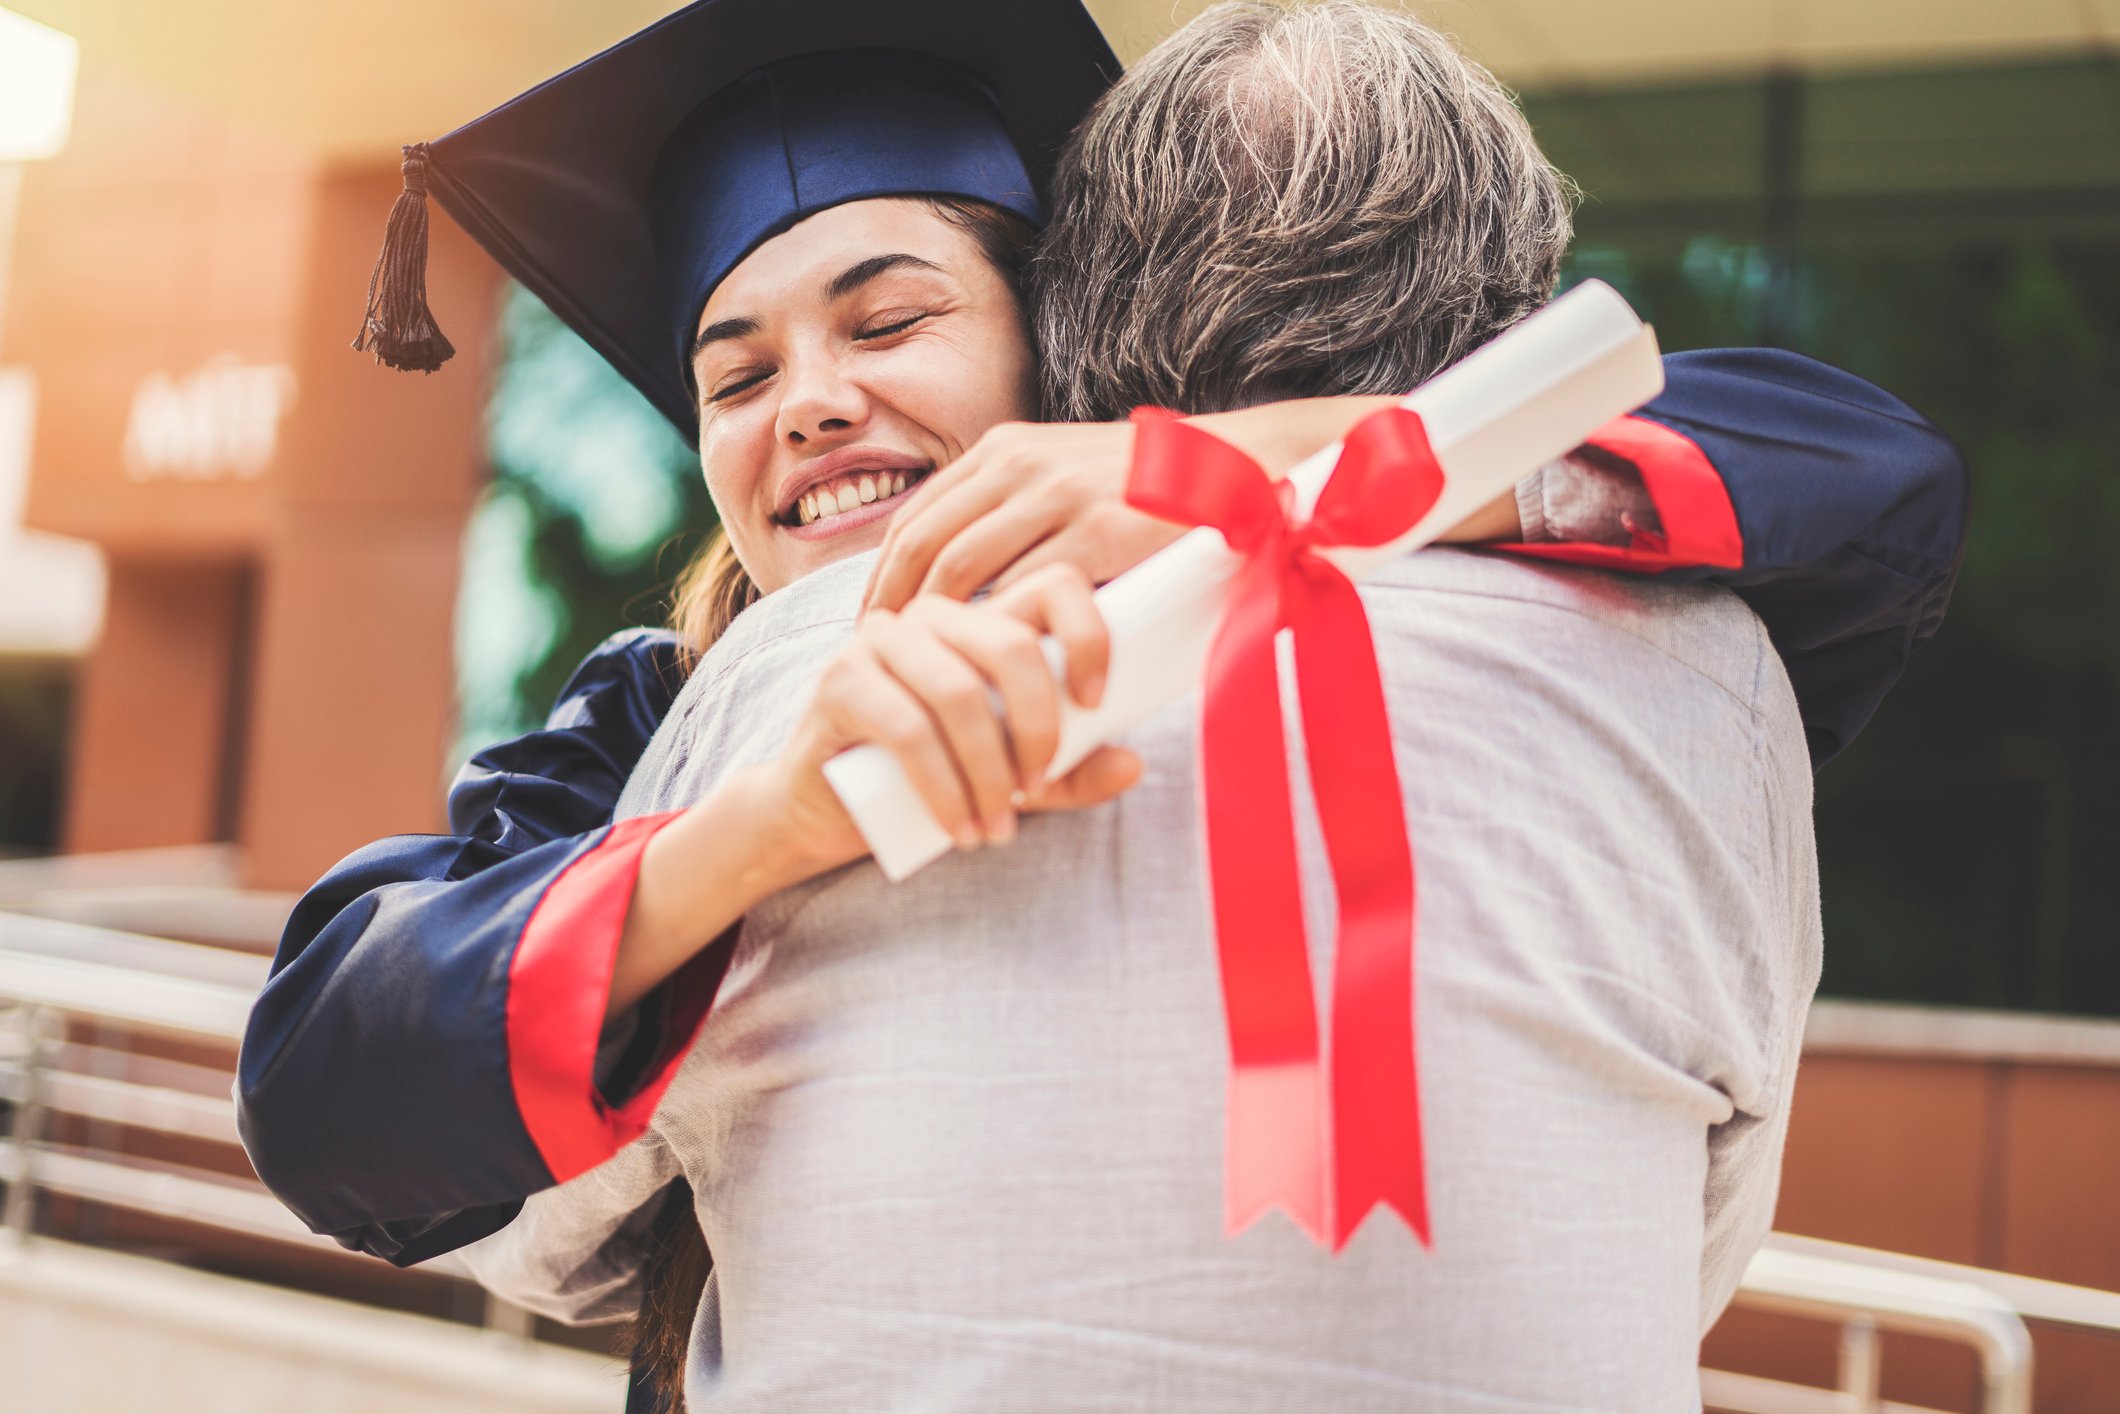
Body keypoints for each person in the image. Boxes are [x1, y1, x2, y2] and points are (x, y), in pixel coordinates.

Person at [236, 0, 1962, 1402]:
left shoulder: (1309, 575)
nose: (814, 405)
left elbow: (1845, 456)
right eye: (737, 372)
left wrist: (1241, 475)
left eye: (892, 318)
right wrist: (755, 832)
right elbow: (332, 1066)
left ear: (1067, 352)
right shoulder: (680, 706)